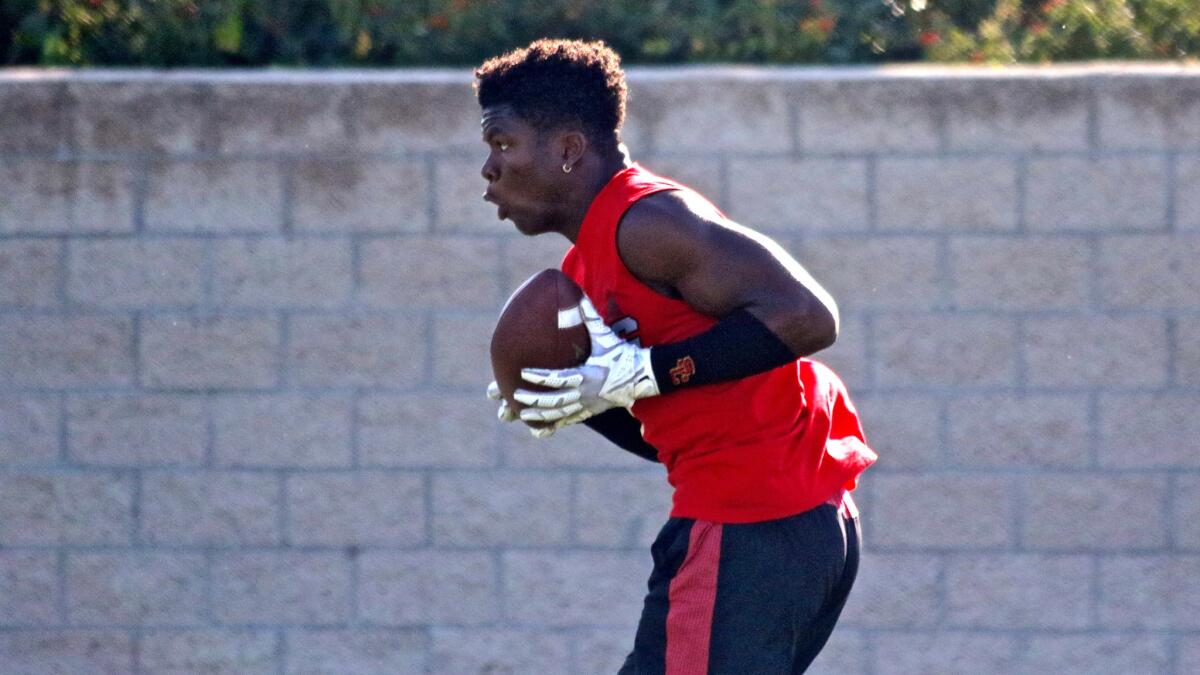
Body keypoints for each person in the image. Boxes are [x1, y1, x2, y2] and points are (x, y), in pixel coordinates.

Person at [477, 38, 877, 674]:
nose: (488, 171)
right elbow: (688, 430)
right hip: (770, 522)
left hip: (751, 524)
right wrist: (586, 403)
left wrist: (648, 372)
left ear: (568, 150)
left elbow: (808, 315)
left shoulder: (646, 221)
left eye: (502, 145)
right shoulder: (586, 265)